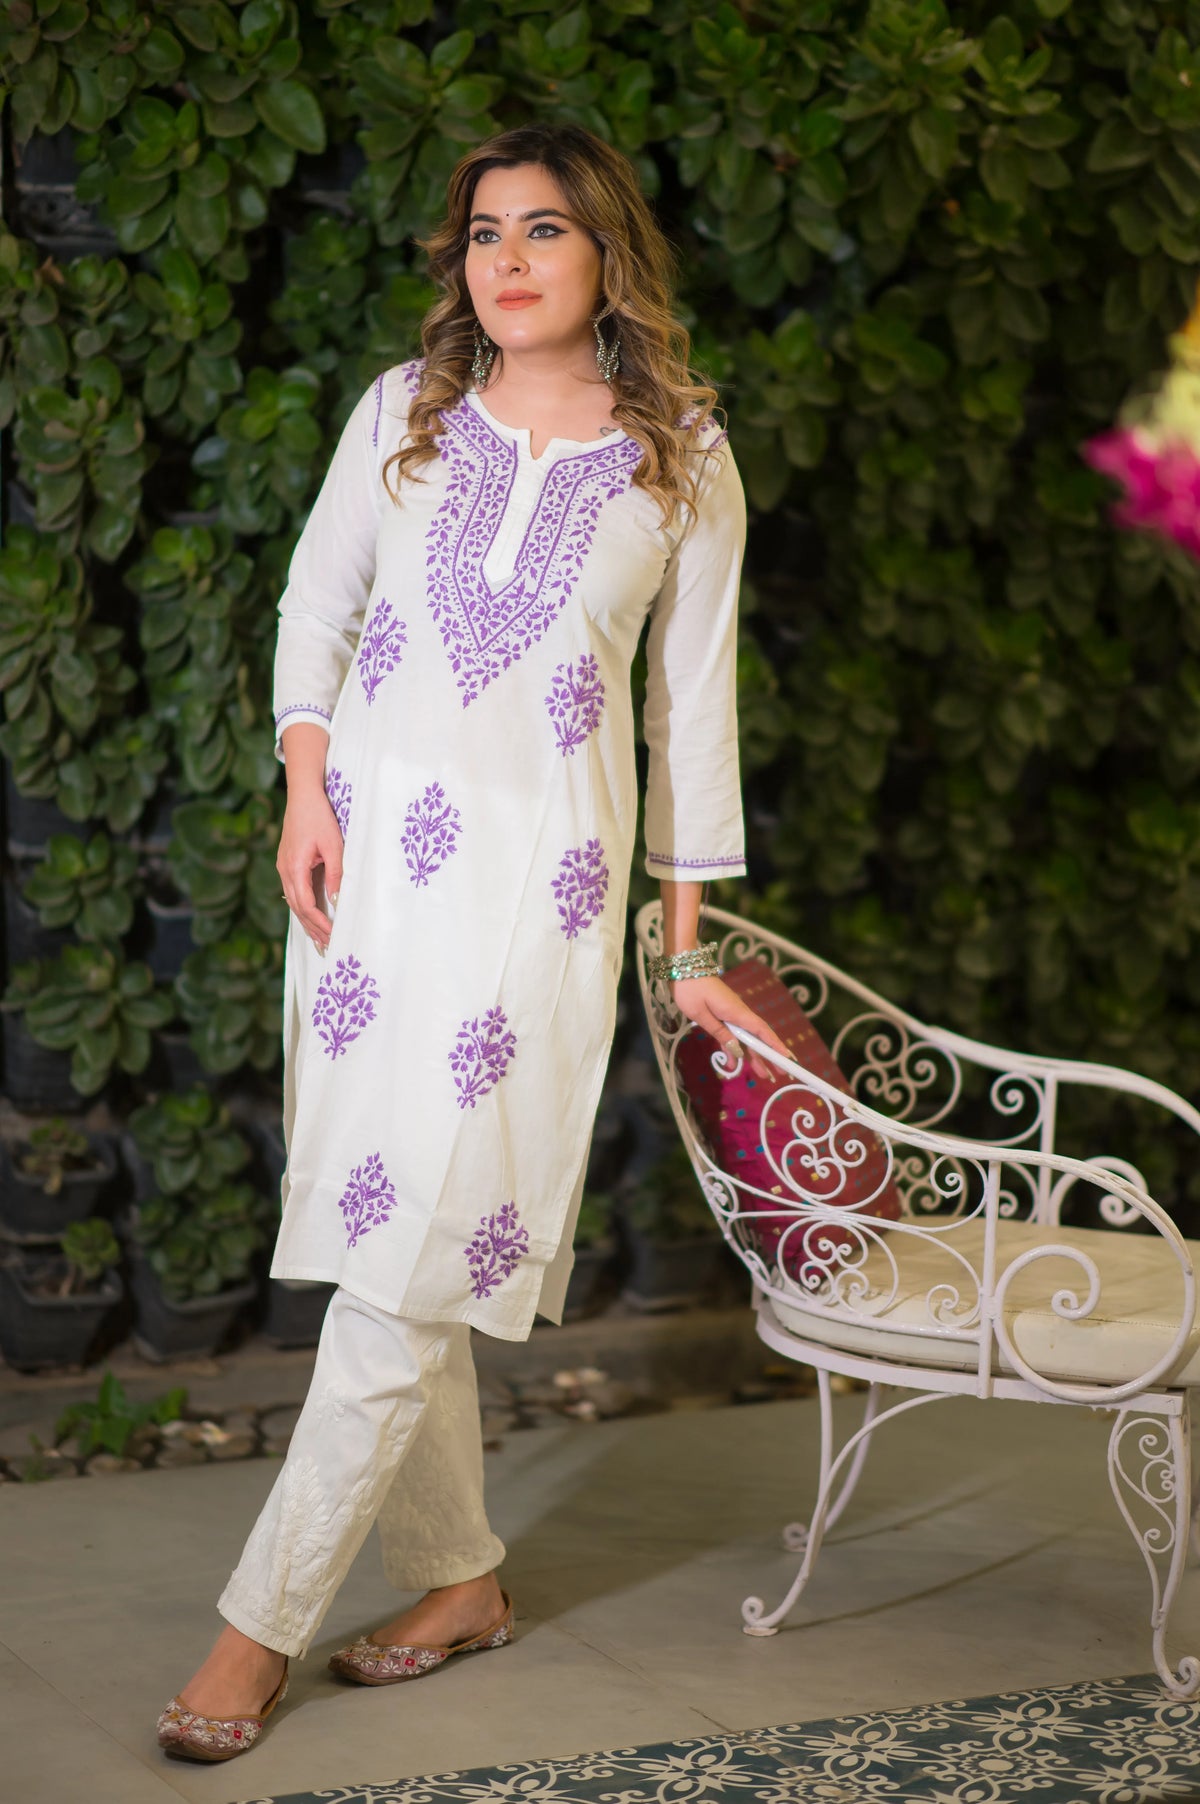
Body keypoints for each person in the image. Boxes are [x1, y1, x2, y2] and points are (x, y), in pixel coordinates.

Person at [155, 119, 788, 1765]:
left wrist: (685, 939)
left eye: (544, 229)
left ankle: (253, 1629)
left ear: (607, 252)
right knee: (394, 1241)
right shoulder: (405, 412)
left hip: (537, 900)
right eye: (486, 231)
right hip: (366, 884)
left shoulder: (682, 453)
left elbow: (692, 709)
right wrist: (304, 788)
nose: (507, 258)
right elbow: (316, 606)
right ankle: (459, 1582)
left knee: (412, 1249)